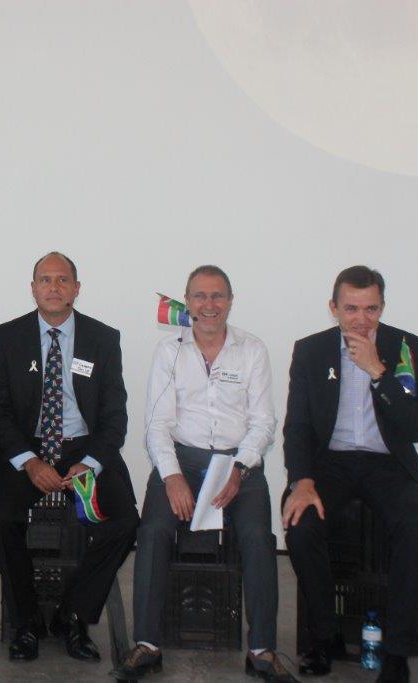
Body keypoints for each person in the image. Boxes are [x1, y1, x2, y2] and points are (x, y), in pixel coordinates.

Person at [113, 266, 296, 682]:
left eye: (217, 296)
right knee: (152, 531)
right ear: (188, 302)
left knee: (258, 538)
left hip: (239, 463)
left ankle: (262, 650)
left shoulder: (252, 350)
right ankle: (147, 645)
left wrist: (240, 468)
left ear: (230, 301)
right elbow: (157, 424)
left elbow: (263, 423)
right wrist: (172, 476)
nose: (209, 305)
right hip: (183, 460)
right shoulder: (169, 351)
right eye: (200, 296)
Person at [0, 251, 139, 663]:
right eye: (45, 280)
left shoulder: (103, 339)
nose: (54, 287)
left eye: (62, 279)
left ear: (76, 288)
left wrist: (91, 464)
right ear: (33, 289)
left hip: (83, 449)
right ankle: (27, 620)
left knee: (125, 521)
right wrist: (29, 461)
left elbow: (115, 416)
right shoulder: (8, 336)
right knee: (0, 521)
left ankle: (74, 615)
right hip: (28, 448)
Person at [282, 266, 418, 683]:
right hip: (330, 462)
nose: (361, 319)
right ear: (334, 308)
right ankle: (324, 636)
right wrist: (302, 481)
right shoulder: (311, 351)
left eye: (370, 309)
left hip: (389, 463)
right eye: (351, 309)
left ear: (382, 307)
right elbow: (297, 426)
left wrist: (378, 371)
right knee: (300, 525)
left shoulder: (406, 347)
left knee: (416, 528)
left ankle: (397, 652)